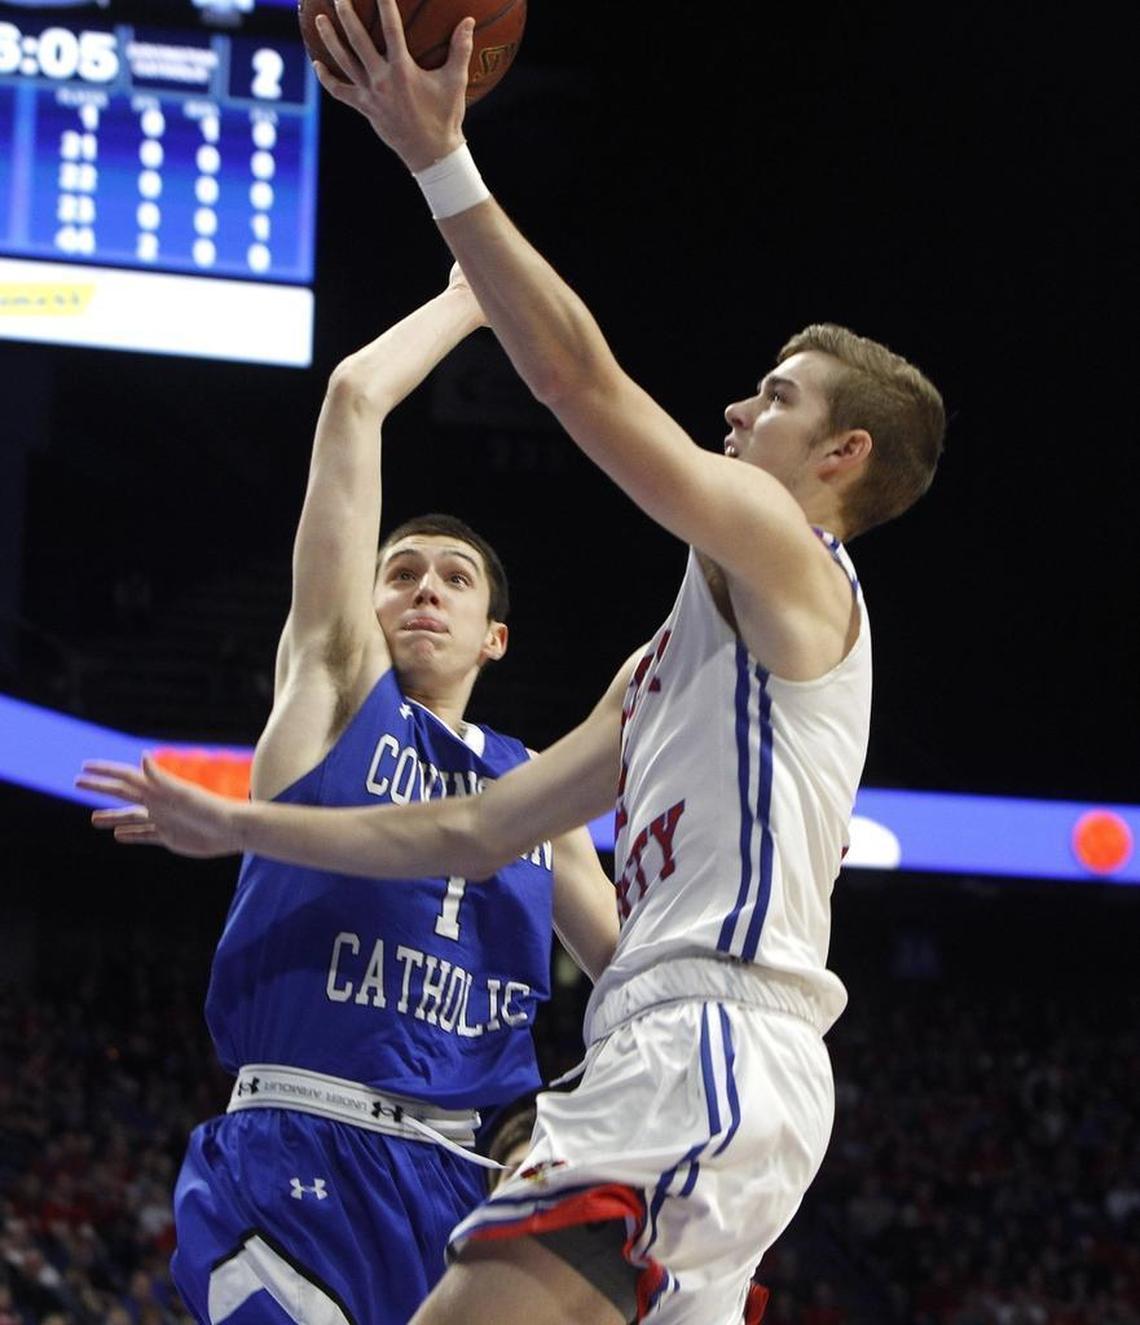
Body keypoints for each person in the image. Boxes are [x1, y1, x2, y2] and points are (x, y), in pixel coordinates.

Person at [80, 2, 947, 1320]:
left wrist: (442, 167)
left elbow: (582, 387)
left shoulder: (792, 550)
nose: (735, 406)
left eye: (776, 397)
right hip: (672, 1059)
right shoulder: (662, 669)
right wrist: (233, 824)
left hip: (703, 1046)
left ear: (842, 459)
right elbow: (467, 830)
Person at [96, 265, 618, 1324]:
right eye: (402, 571)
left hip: (463, 1190)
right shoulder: (335, 692)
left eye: (454, 578)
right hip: (295, 1152)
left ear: (495, 637)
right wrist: (472, 296)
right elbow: (352, 397)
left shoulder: (538, 794)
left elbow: (639, 974)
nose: (424, 587)